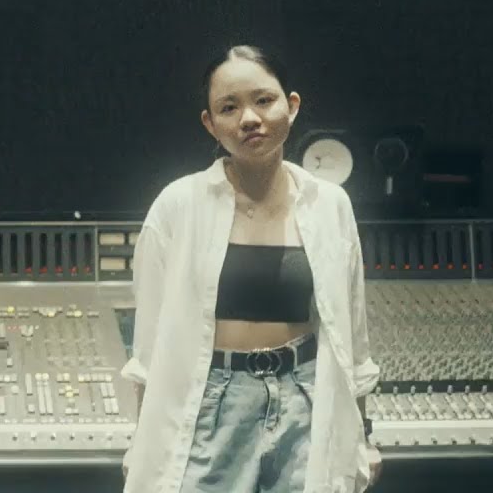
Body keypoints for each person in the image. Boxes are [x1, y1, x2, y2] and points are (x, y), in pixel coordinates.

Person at [121, 45, 382, 492]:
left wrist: (363, 435)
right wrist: (142, 441)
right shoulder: (178, 206)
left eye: (263, 100)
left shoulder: (329, 205)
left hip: (306, 400)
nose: (249, 118)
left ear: (291, 106)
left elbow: (351, 338)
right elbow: (150, 347)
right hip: (211, 400)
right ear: (210, 123)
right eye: (229, 107)